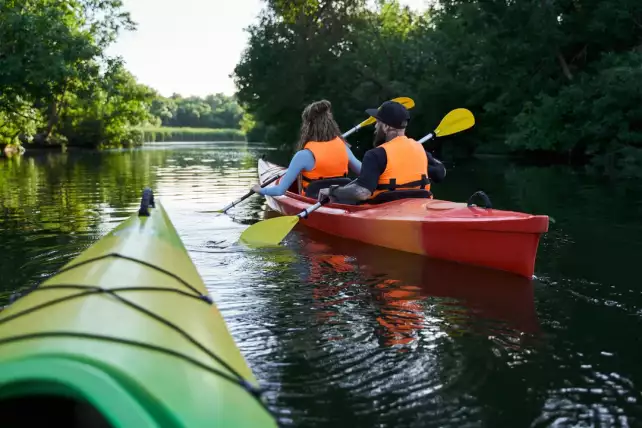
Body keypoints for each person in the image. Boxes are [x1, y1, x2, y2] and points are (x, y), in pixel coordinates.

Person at [318, 101, 446, 204]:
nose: (375, 127)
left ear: (386, 127)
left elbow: (362, 193)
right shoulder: (419, 149)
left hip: (384, 212)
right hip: (418, 207)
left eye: (377, 123)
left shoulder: (375, 155)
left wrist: (333, 191)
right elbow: (441, 173)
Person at [250, 100, 361, 197]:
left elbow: (280, 191)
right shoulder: (344, 148)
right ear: (332, 124)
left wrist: (260, 190)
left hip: (313, 202)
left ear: (307, 126)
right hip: (343, 201)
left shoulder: (303, 156)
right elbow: (365, 172)